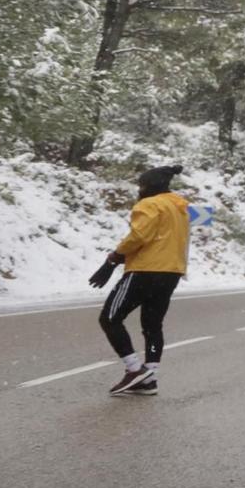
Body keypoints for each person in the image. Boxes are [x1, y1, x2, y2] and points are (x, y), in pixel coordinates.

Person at [90, 164, 190, 397]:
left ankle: (134, 369)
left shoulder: (149, 204)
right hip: (172, 271)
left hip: (145, 270)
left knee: (110, 318)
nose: (139, 190)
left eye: (141, 186)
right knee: (152, 324)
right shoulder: (180, 208)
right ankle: (150, 377)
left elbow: (139, 236)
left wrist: (115, 257)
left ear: (149, 186)